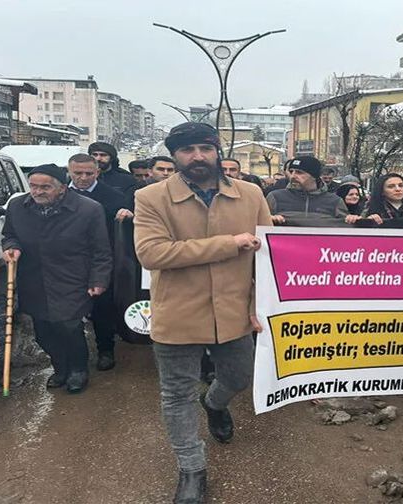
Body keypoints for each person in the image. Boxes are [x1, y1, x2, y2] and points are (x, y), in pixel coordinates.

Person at [133, 122, 271, 503]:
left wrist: (260, 305)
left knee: (238, 377)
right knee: (176, 394)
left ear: (217, 151)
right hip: (178, 313)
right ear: (175, 156)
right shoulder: (150, 198)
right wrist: (228, 244)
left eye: (205, 149)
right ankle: (191, 468)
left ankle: (214, 403)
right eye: (187, 150)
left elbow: (267, 257)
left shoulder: (251, 194)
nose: (197, 156)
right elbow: (153, 253)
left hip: (234, 312)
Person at [2, 164, 112, 394]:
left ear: (62, 188)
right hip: (34, 278)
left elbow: (101, 250)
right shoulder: (17, 206)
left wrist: (98, 279)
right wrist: (11, 247)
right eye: (33, 186)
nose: (38, 192)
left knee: (68, 326)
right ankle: (60, 367)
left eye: (45, 187)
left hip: (71, 277)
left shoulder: (88, 209)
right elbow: (9, 234)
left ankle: (78, 370)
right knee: (43, 331)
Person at [67, 153, 131, 371]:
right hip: (67, 262)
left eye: (89, 173)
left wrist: (128, 215)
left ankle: (105, 350)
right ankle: (73, 358)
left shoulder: (113, 197)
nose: (83, 178)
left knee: (102, 308)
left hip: (101, 261)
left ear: (97, 172)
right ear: (69, 171)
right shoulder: (59, 194)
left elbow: (124, 230)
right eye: (78, 173)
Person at [265, 156, 347, 224]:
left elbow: (346, 229)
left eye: (299, 172)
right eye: (291, 171)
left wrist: (353, 219)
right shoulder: (275, 197)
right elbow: (260, 225)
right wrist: (269, 219)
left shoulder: (335, 201)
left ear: (314, 176)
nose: (293, 176)